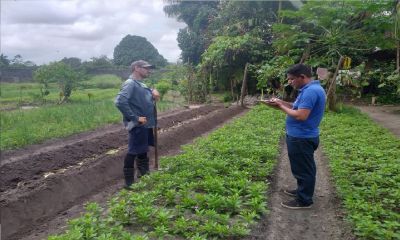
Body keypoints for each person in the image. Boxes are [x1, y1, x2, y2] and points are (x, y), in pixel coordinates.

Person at [261, 64, 326, 209]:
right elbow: (296, 108)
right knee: (302, 167)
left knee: (304, 169)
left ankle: (304, 200)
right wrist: (280, 102)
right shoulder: (309, 89)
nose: (290, 82)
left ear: (302, 77)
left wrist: (280, 107)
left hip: (301, 137)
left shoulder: (311, 92)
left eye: (291, 79)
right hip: (300, 136)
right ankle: (302, 190)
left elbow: (301, 115)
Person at [115, 60, 160, 188]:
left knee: (143, 148)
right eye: (146, 68)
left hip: (145, 124)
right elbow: (120, 102)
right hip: (138, 125)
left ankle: (144, 174)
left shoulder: (140, 84)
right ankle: (129, 183)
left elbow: (142, 98)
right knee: (133, 150)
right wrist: (135, 118)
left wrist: (153, 94)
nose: (149, 71)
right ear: (137, 68)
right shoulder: (130, 84)